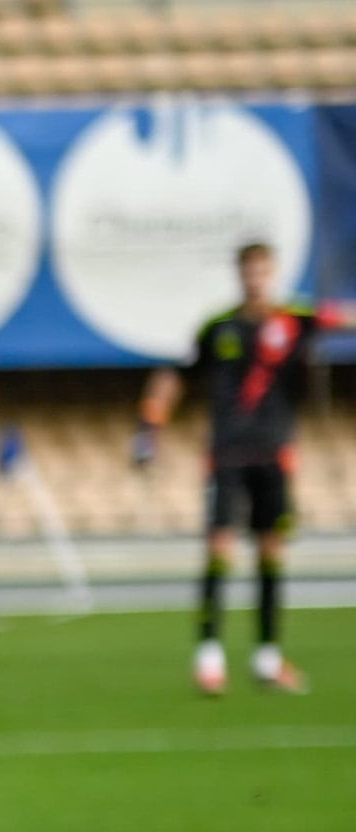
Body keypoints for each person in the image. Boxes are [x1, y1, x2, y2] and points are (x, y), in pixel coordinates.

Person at [140, 240, 318, 696]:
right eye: (249, 272)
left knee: (271, 552)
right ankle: (209, 657)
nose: (256, 280)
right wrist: (150, 426)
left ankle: (267, 658)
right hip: (228, 455)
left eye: (263, 272)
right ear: (240, 275)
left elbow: (342, 316)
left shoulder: (295, 319)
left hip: (275, 453)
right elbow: (174, 375)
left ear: (273, 274)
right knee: (219, 549)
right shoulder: (218, 328)